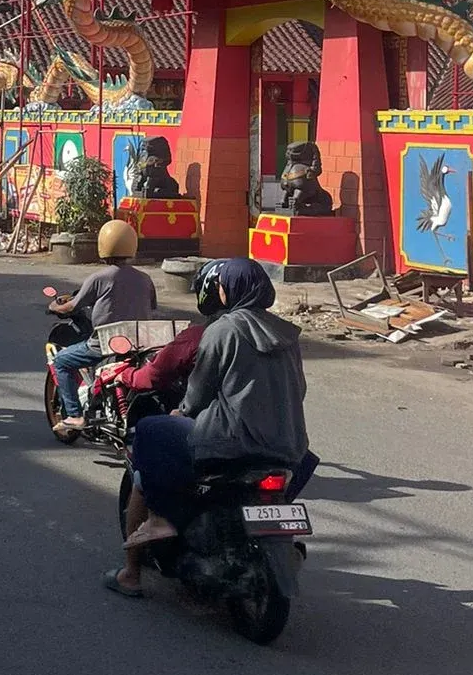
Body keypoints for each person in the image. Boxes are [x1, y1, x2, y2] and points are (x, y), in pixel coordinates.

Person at [109, 257, 308, 598]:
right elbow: (299, 390)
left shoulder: (222, 329)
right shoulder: (287, 334)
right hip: (290, 446)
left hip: (230, 444)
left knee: (150, 431)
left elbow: (198, 395)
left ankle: (151, 537)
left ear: (228, 290)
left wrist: (180, 412)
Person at [48, 220, 157, 438]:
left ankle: (74, 415)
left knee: (61, 362)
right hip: (140, 343)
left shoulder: (99, 278)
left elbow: (72, 305)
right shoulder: (146, 278)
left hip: (106, 343)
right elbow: (151, 307)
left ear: (103, 246)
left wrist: (54, 306)